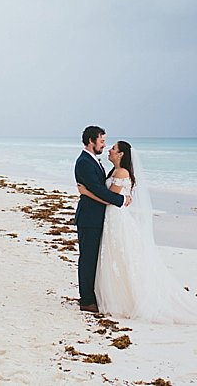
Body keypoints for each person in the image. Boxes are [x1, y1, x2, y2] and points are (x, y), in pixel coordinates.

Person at [78, 140, 197, 323]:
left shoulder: (120, 172)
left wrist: (87, 193)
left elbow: (110, 198)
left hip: (116, 218)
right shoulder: (113, 170)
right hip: (111, 219)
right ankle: (107, 297)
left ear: (121, 155)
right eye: (106, 144)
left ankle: (119, 299)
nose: (109, 149)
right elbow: (111, 195)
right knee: (115, 258)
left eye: (113, 148)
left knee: (121, 257)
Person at [73, 125, 130, 313]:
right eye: (102, 141)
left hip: (98, 218)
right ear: (91, 141)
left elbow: (99, 191)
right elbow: (100, 192)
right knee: (88, 259)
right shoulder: (84, 162)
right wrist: (121, 200)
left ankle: (94, 296)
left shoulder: (94, 161)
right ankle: (87, 301)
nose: (104, 145)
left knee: (95, 259)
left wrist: (87, 192)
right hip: (89, 218)